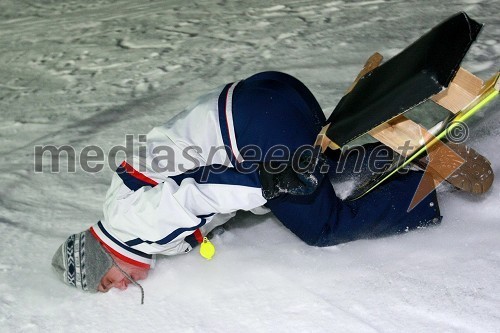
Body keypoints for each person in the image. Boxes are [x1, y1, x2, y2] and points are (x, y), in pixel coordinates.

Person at [52, 71, 443, 301]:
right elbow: (210, 191)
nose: (120, 287)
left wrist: (271, 182)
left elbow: (198, 191)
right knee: (314, 182)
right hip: (267, 97)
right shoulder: (123, 211)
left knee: (322, 226)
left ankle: (431, 186)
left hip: (251, 127)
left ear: (103, 256)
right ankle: (410, 154)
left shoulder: (134, 229)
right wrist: (273, 190)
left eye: (106, 281)